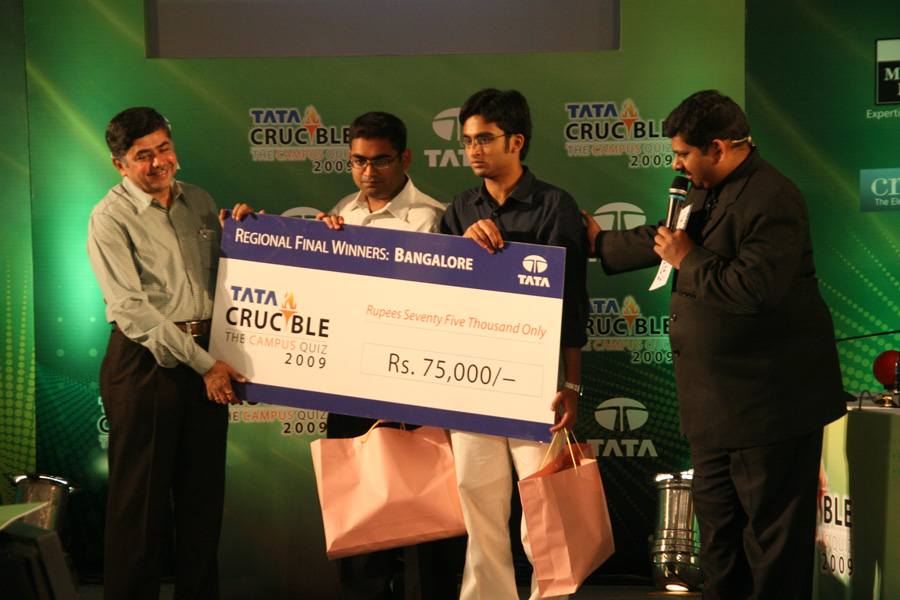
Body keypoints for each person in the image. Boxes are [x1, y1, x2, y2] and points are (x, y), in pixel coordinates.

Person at [587, 90, 847, 600]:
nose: (675, 165)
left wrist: (689, 259)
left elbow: (754, 290)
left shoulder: (773, 197)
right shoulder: (703, 191)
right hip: (713, 406)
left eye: (683, 154)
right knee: (719, 543)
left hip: (770, 407)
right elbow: (668, 237)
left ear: (720, 148)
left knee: (772, 545)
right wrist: (598, 244)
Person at [87, 107, 258, 600]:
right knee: (139, 509)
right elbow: (130, 309)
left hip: (208, 358)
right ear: (120, 164)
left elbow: (229, 281)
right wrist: (206, 366)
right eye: (143, 155)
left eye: (164, 148)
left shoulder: (200, 201)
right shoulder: (109, 217)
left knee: (203, 504)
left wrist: (248, 237)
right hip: (146, 366)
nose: (159, 161)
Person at [439, 89, 589, 600]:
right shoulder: (459, 209)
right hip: (471, 376)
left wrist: (571, 384)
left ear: (516, 141)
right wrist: (461, 250)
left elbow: (572, 303)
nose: (473, 150)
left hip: (536, 379)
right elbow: (437, 291)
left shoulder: (554, 205)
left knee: (545, 502)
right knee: (477, 500)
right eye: (467, 141)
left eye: (485, 138)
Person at [316, 111, 455, 600]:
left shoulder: (433, 219)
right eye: (358, 161)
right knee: (358, 508)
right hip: (351, 382)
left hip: (415, 383)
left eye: (380, 161)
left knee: (428, 513)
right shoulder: (341, 214)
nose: (368, 171)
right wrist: (317, 249)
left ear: (405, 159)